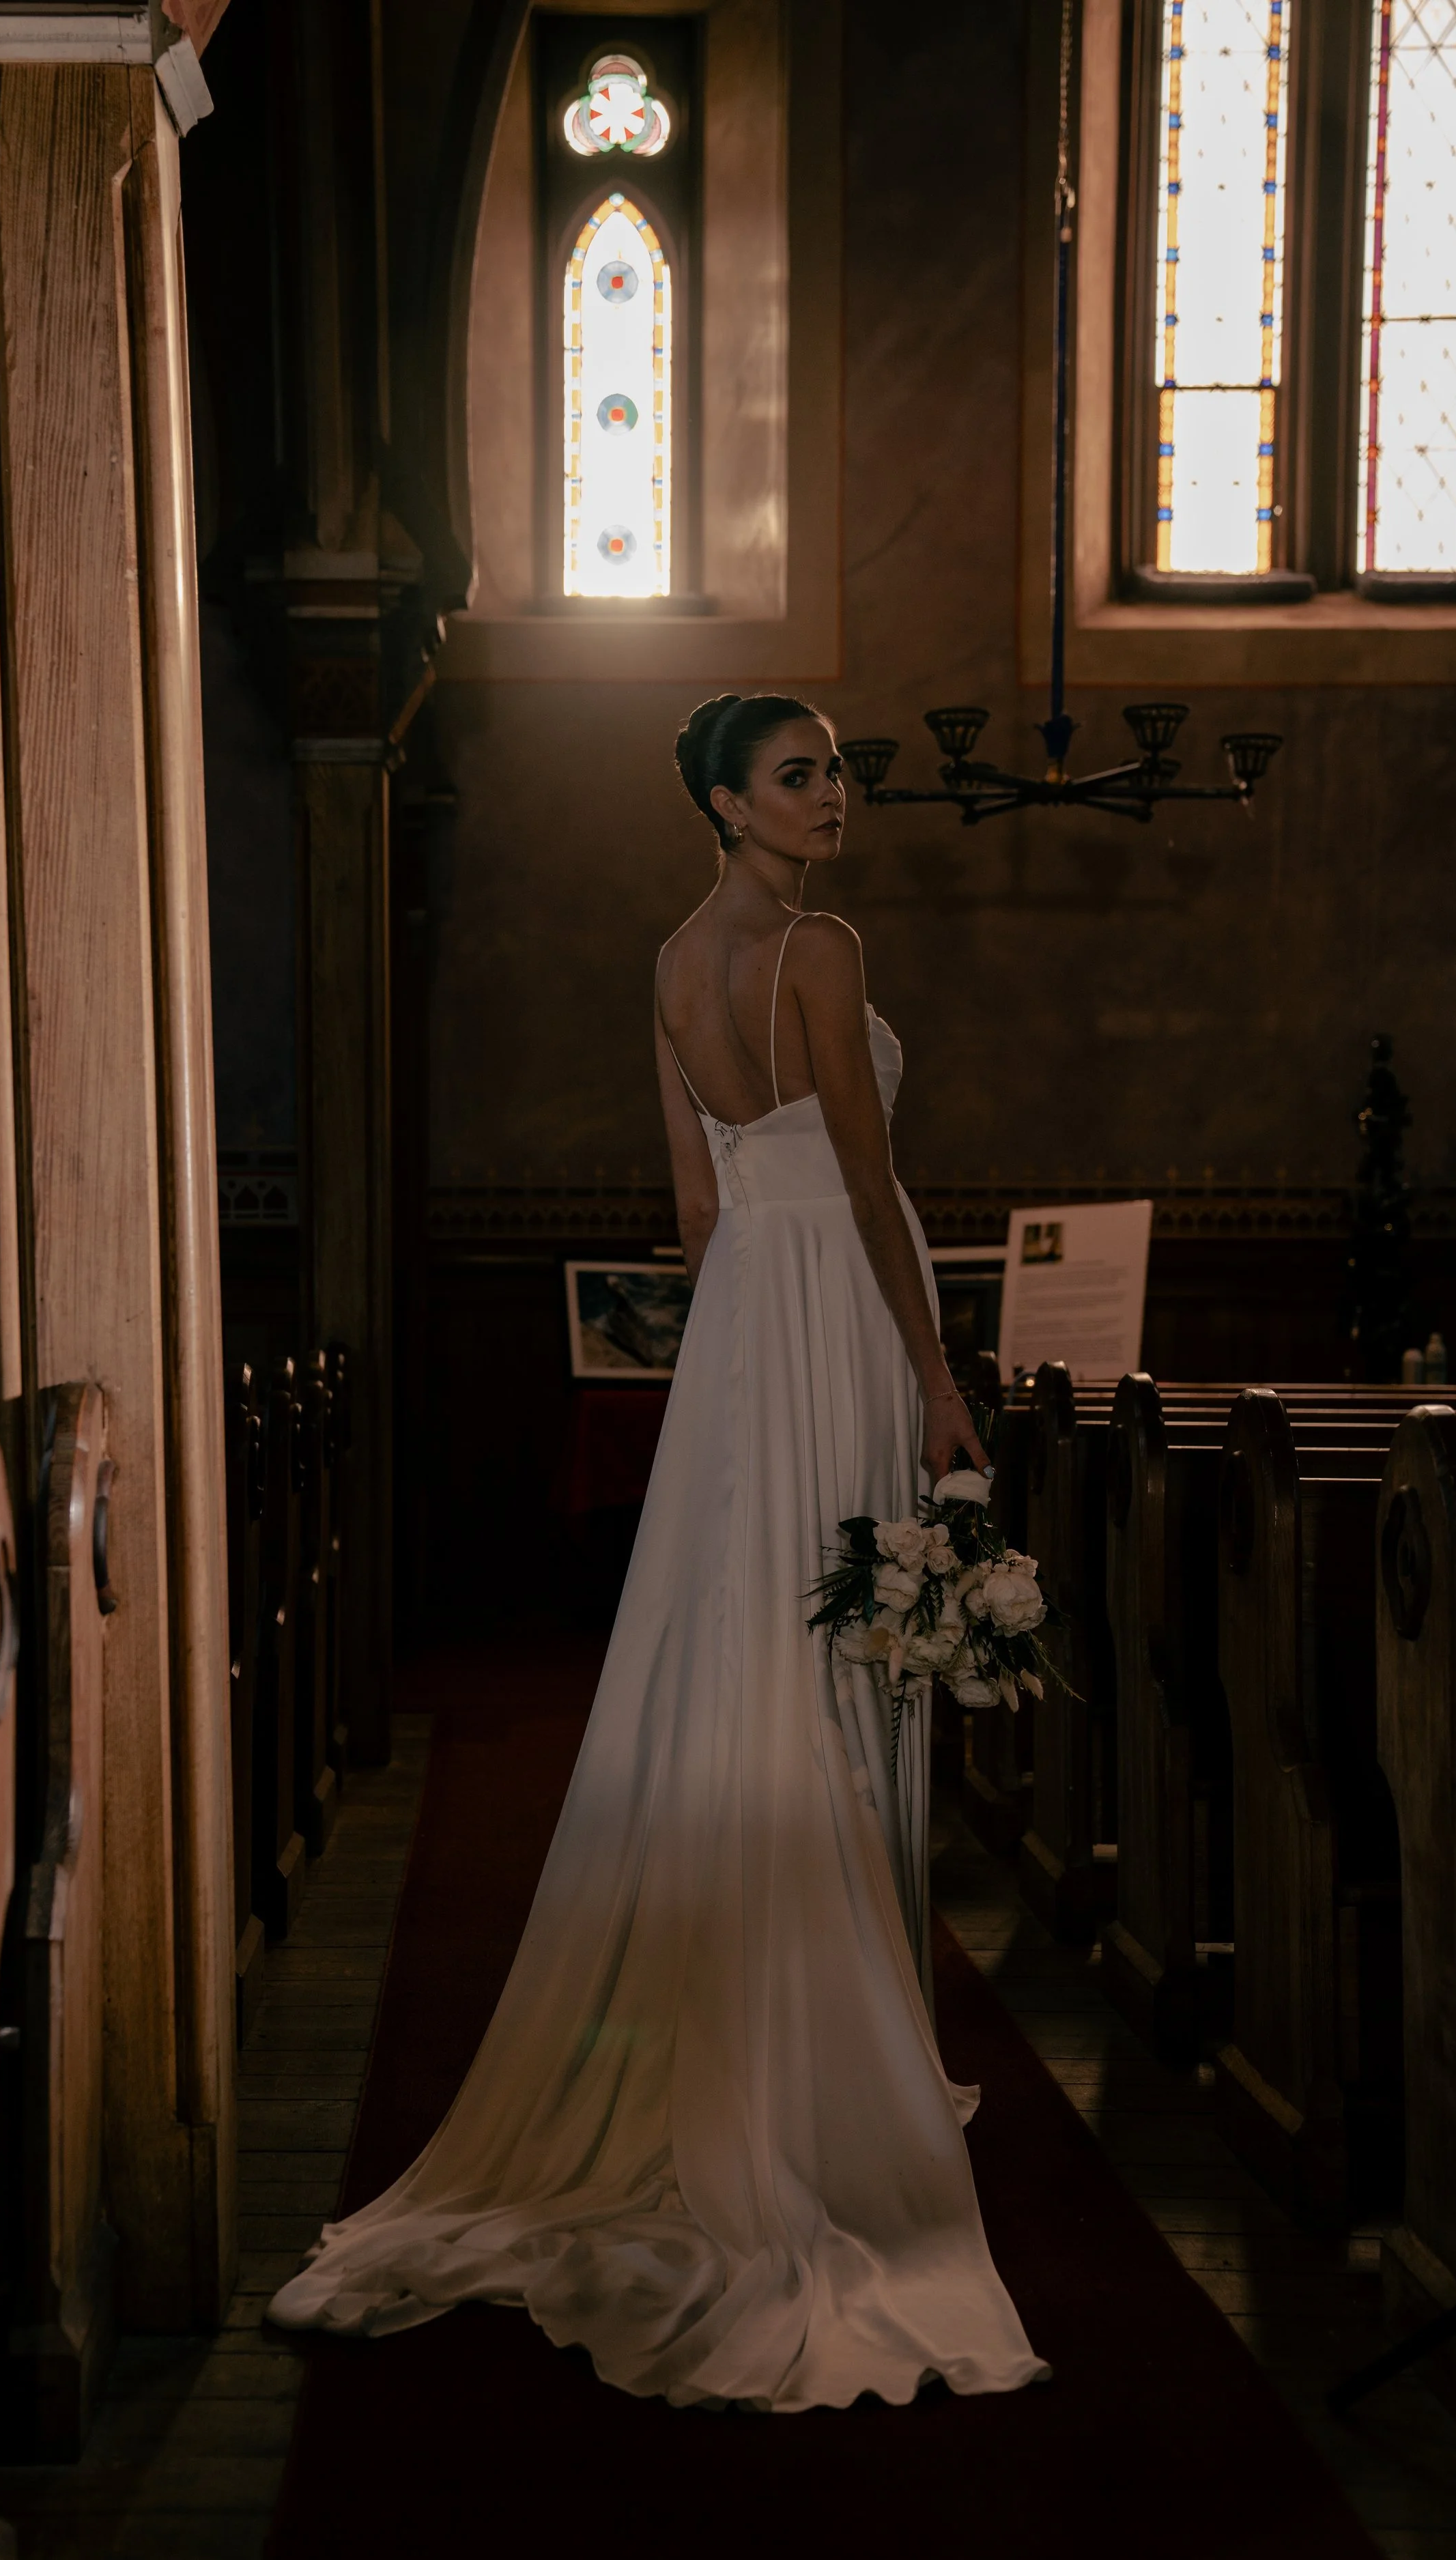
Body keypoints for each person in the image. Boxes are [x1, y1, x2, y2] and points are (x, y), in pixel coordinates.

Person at [267, 692, 1048, 2413]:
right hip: (840, 1299)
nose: (829, 795)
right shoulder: (818, 949)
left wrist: (727, 1393)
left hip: (742, 1326)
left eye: (833, 768)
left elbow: (700, 1213)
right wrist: (929, 1375)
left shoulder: (669, 960)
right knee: (845, 1658)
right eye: (796, 773)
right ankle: (843, 2061)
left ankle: (803, 2039)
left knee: (751, 1646)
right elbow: (860, 1168)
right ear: (721, 798)